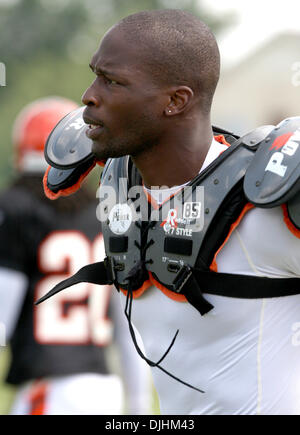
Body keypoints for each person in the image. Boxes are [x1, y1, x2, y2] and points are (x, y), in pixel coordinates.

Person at [42, 10, 300, 415]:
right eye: (95, 75)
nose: (89, 95)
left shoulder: (267, 207)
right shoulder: (120, 189)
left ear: (176, 100)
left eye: (112, 81)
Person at [0, 97, 151, 415]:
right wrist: (138, 404)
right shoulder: (107, 212)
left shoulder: (14, 209)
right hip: (103, 391)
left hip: (49, 388)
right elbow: (128, 327)